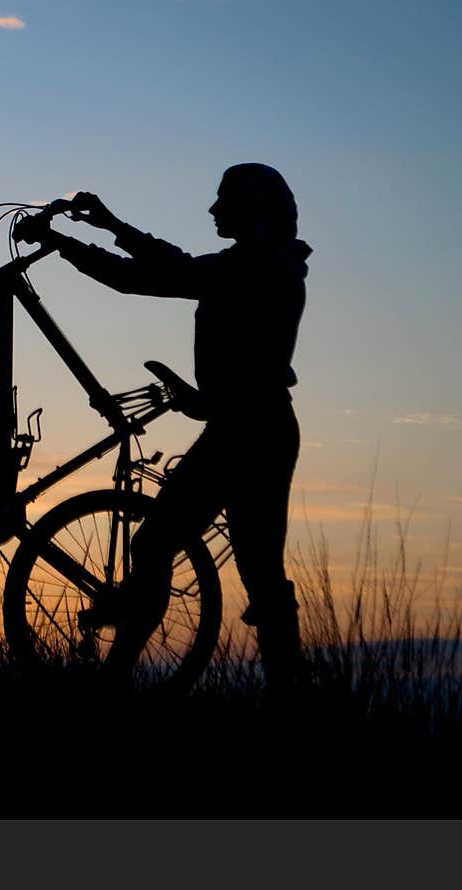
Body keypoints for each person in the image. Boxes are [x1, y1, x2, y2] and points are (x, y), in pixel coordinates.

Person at [19, 164, 312, 692]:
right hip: (253, 425)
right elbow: (177, 281)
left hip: (249, 431)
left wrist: (69, 239)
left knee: (162, 546)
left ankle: (117, 679)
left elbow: (156, 274)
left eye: (225, 201)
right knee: (254, 570)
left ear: (254, 212)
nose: (213, 211)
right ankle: (289, 692)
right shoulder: (262, 265)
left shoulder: (257, 268)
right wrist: (104, 226)